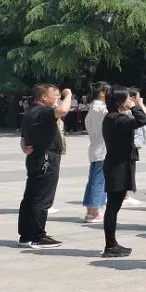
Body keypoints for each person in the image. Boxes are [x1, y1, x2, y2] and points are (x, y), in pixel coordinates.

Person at [17, 83, 71, 248]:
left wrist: (24, 147)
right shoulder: (44, 111)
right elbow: (63, 111)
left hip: (34, 157)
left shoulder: (29, 113)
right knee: (43, 198)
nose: (57, 98)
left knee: (30, 196)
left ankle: (25, 235)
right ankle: (38, 236)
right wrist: (68, 95)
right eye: (54, 95)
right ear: (44, 97)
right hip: (47, 158)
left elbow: (24, 137)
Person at [101, 85, 146, 257]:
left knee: (114, 206)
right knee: (112, 207)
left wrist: (131, 106)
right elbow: (142, 120)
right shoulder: (117, 118)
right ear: (120, 101)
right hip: (118, 166)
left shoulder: (112, 117)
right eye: (127, 98)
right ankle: (110, 246)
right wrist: (134, 106)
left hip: (117, 164)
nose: (130, 100)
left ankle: (112, 243)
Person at [82, 82, 111, 224]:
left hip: (96, 147)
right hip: (102, 149)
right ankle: (94, 212)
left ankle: (91, 211)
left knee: (94, 181)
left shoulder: (92, 108)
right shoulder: (101, 108)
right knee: (99, 181)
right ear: (102, 93)